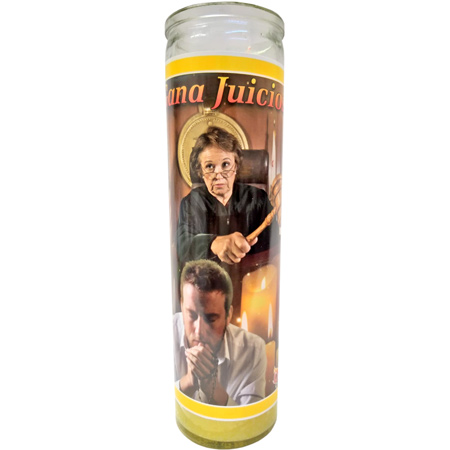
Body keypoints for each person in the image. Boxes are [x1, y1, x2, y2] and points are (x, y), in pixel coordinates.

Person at [177, 126, 279, 266]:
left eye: (225, 164)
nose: (218, 175)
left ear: (235, 166)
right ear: (200, 171)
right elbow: (183, 245)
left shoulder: (258, 198)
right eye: (209, 166)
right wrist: (213, 243)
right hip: (210, 275)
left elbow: (275, 244)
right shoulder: (191, 202)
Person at [173, 259, 266, 405]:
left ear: (229, 315)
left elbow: (251, 416)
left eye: (210, 319)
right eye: (191, 315)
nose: (199, 331)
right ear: (181, 305)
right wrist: (187, 382)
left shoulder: (253, 350)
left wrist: (213, 388)